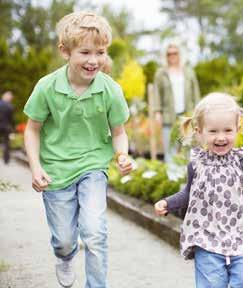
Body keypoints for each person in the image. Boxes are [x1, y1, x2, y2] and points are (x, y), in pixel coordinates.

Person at [23, 11, 132, 288]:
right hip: (56, 171)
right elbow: (32, 130)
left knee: (95, 232)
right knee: (64, 240)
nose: (93, 60)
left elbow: (119, 132)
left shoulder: (110, 90)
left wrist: (122, 154)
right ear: (65, 51)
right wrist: (35, 168)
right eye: (85, 52)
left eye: (100, 52)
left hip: (93, 167)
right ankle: (65, 255)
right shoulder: (47, 87)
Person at [154, 93, 243, 288]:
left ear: (238, 128)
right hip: (207, 237)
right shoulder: (197, 164)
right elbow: (189, 193)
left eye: (228, 130)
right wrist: (168, 203)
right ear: (199, 131)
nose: (221, 137)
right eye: (213, 131)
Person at [154, 43, 201, 163]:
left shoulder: (189, 72)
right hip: (168, 116)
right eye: (169, 54)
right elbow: (157, 93)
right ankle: (172, 178)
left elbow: (195, 92)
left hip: (187, 115)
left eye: (175, 53)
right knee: (170, 149)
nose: (172, 56)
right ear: (165, 56)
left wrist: (198, 112)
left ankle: (188, 177)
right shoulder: (161, 73)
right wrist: (157, 111)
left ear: (180, 54)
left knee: (189, 148)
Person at [0, 91, 14, 164]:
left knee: (6, 142)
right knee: (6, 143)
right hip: (6, 126)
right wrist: (12, 129)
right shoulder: (10, 106)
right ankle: (6, 159)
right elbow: (11, 119)